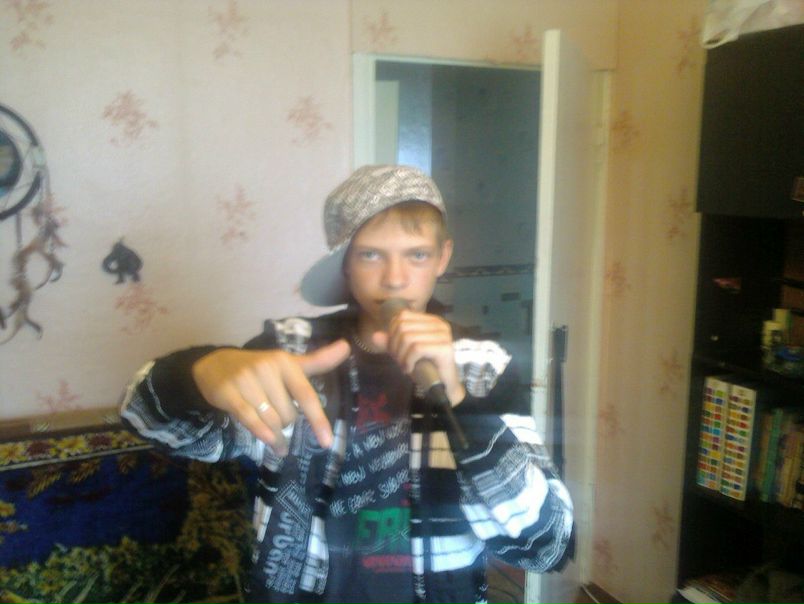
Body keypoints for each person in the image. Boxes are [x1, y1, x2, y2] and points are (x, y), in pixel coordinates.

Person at [120, 165, 573, 604]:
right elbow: (151, 422)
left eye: (417, 255)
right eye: (370, 254)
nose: (395, 278)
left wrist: (461, 403)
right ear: (345, 265)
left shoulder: (484, 365)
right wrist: (199, 372)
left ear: (442, 258)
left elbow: (544, 546)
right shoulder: (289, 349)